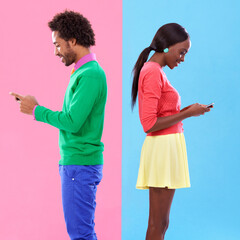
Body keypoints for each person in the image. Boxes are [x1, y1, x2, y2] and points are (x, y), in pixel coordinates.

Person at [10, 10, 107, 240]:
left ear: (72, 41)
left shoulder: (90, 75)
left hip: (80, 166)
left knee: (81, 234)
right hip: (75, 165)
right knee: (81, 231)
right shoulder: (81, 72)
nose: (56, 51)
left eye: (58, 45)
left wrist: (36, 110)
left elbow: (72, 122)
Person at [131, 23, 213, 240]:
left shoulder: (155, 71)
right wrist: (187, 114)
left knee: (162, 223)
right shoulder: (152, 71)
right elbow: (148, 124)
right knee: (157, 223)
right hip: (162, 149)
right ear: (167, 46)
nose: (183, 58)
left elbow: (163, 115)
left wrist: (190, 110)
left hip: (167, 148)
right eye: (182, 52)